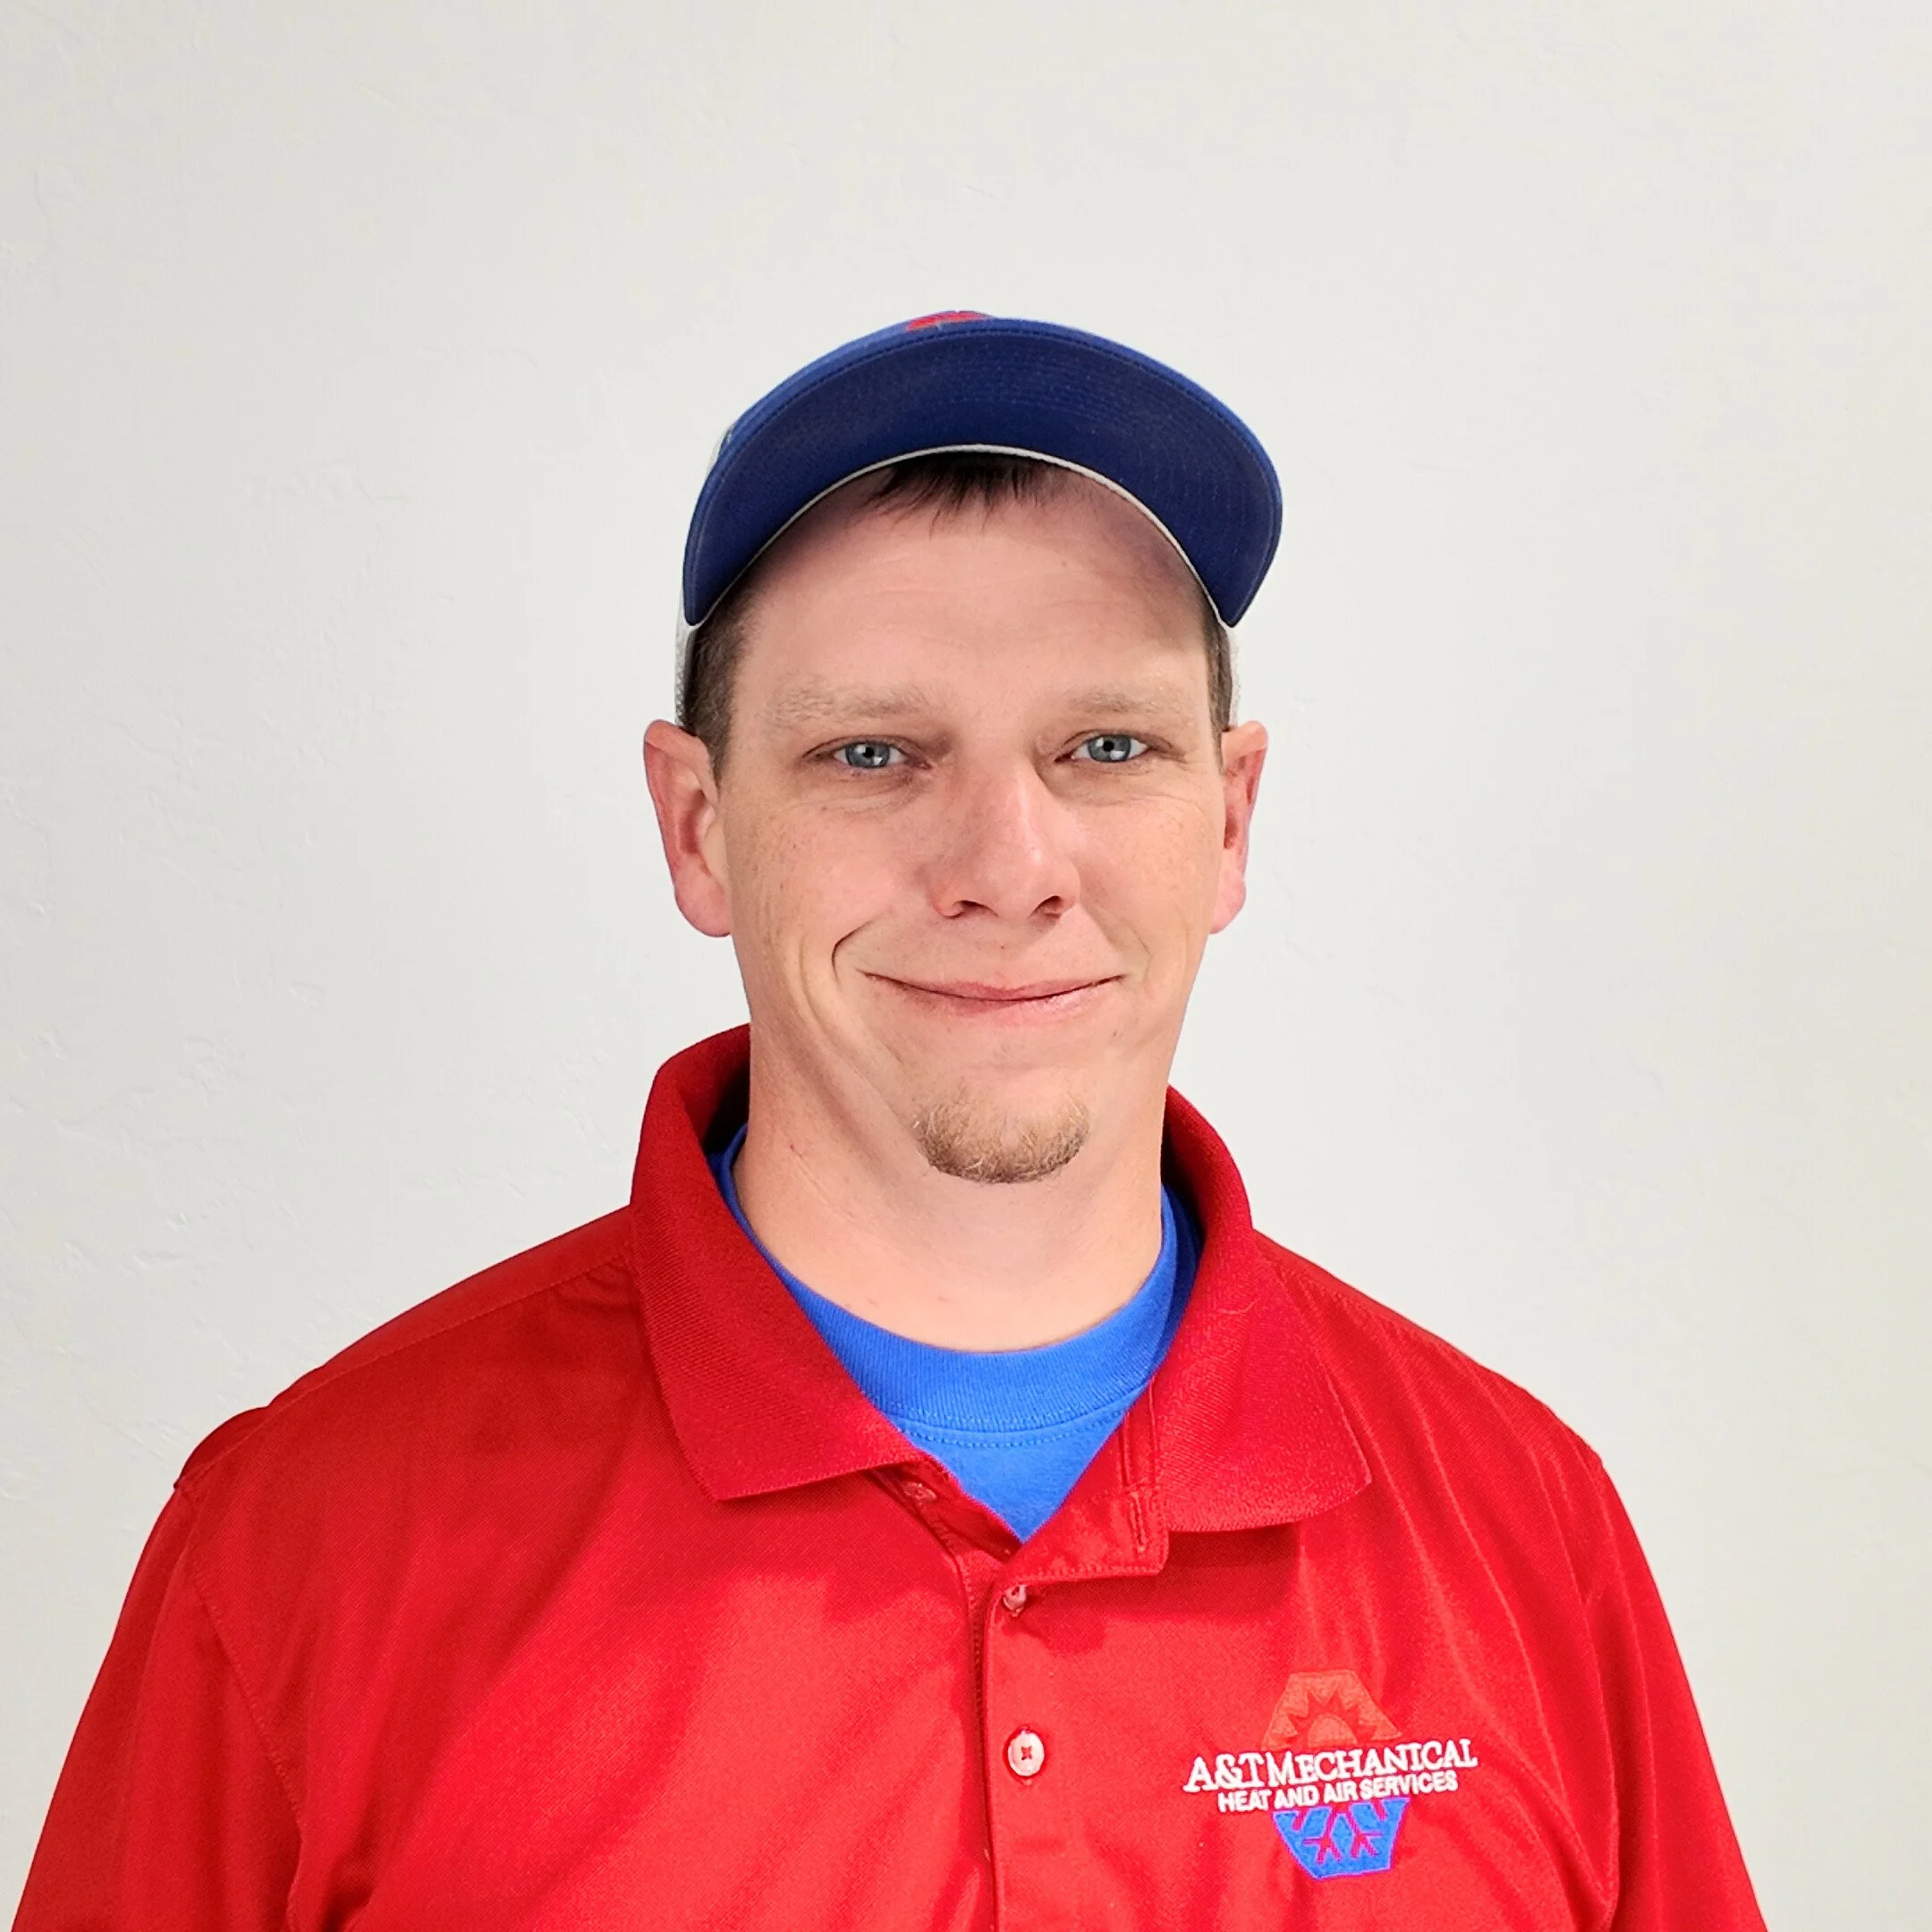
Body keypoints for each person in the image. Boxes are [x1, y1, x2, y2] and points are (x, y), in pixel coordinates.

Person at [15, 313, 1765, 1929]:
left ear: (1230, 821)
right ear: (698, 827)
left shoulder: (1521, 1531)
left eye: (1104, 749)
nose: (1006, 870)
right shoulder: (314, 1541)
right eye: (875, 754)